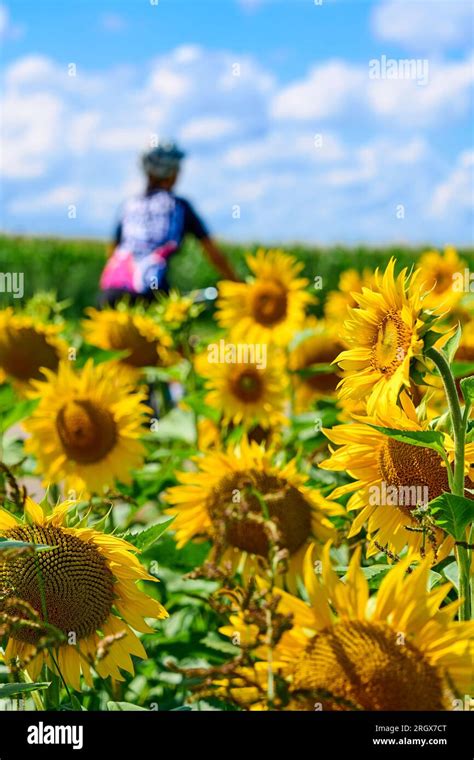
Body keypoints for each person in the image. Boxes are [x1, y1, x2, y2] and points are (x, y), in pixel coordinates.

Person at [99, 140, 236, 306]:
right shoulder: (179, 207)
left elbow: (113, 251)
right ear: (172, 172)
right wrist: (236, 284)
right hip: (150, 294)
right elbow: (214, 254)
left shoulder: (129, 205)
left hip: (111, 293)